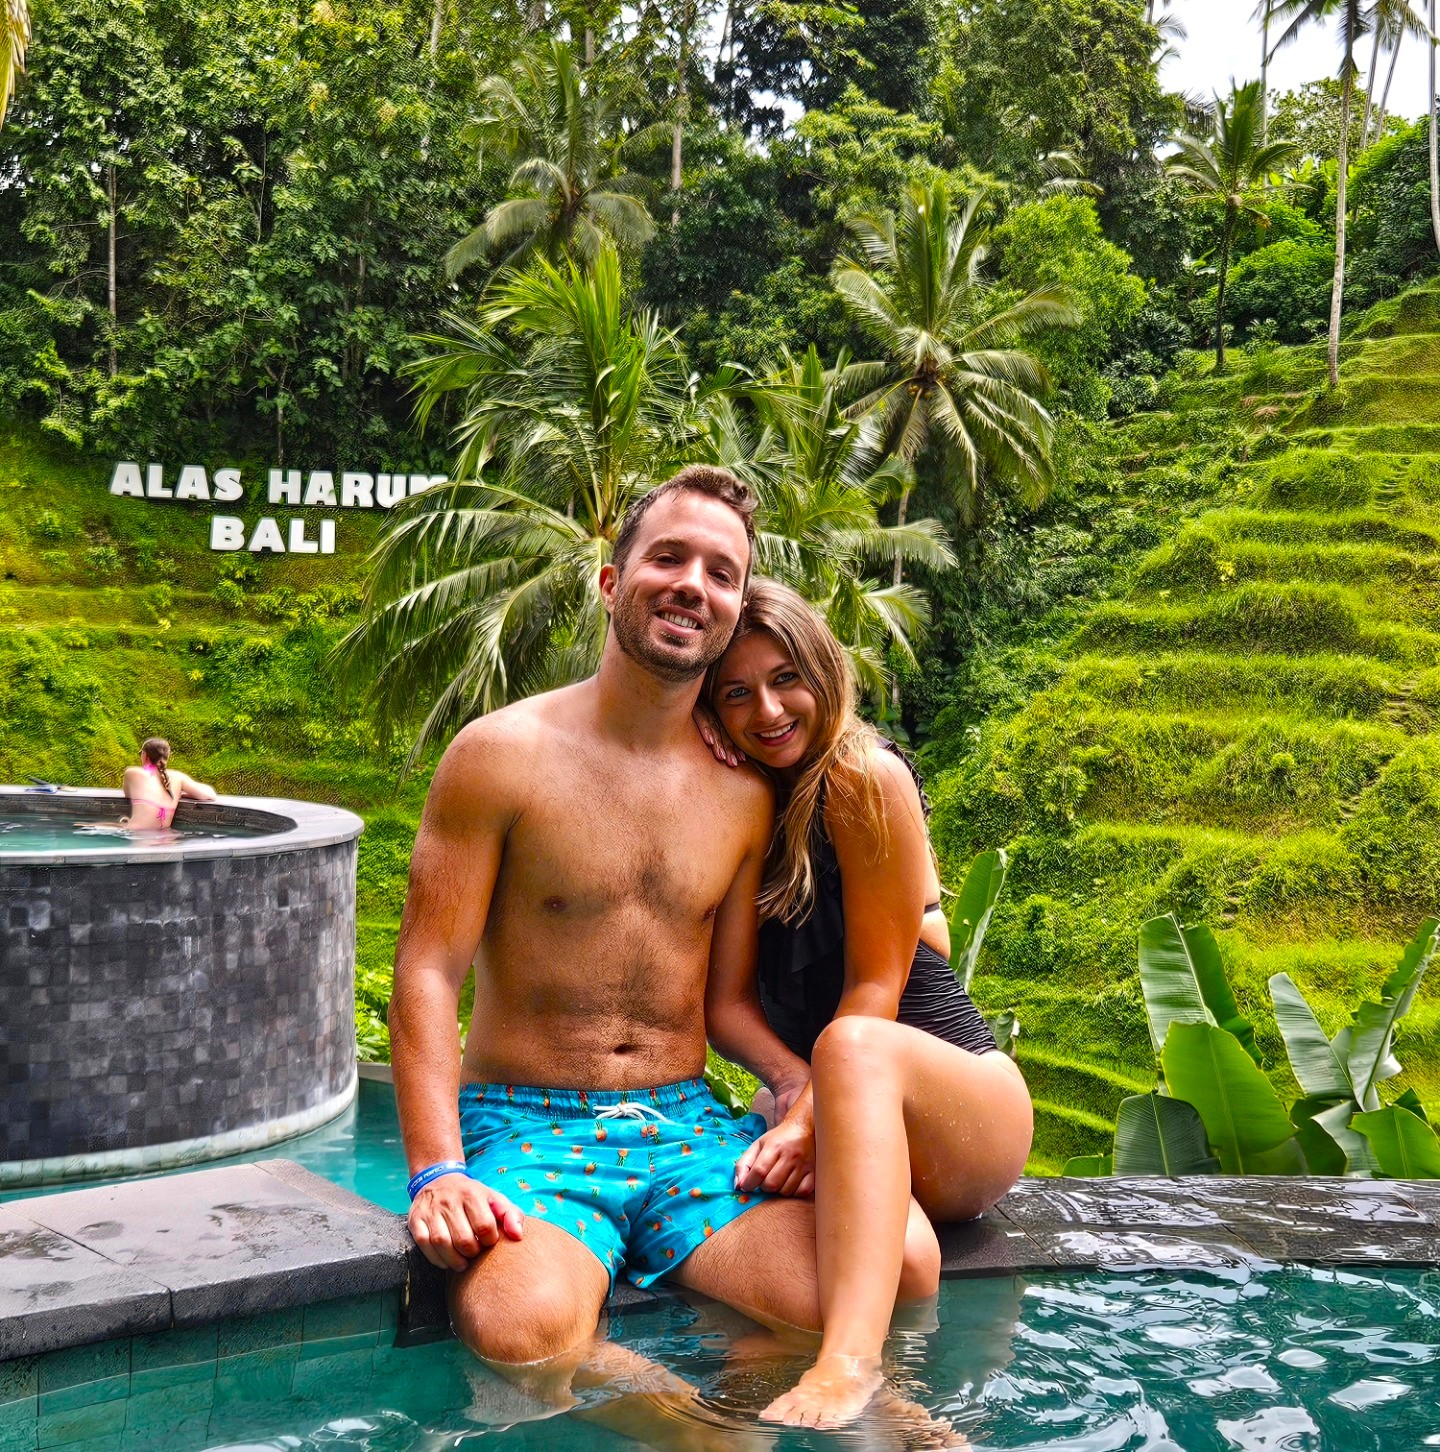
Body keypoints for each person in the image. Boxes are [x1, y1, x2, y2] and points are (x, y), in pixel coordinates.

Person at [392, 467, 879, 1389]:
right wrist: (436, 1171)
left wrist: (797, 1083)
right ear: (612, 582)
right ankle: (708, 1439)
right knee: (519, 1332)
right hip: (525, 1122)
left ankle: (764, 1419)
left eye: (721, 573)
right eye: (668, 558)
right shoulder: (501, 756)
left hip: (684, 1121)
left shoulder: (742, 794)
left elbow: (724, 1001)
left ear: (733, 611)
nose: (693, 584)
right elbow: (427, 971)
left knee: (838, 1300)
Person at [701, 578, 1034, 1430]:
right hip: (846, 1108)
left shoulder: (861, 774)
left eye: (786, 679)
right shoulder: (738, 803)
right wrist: (791, 1092)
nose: (767, 710)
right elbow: (726, 1007)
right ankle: (902, 1428)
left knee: (848, 1045)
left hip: (959, 1112)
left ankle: (849, 1366)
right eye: (736, 692)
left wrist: (810, 1107)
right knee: (882, 1258)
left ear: (823, 672)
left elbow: (875, 994)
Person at [121, 737, 217, 829]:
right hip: (165, 837)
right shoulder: (179, 778)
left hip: (137, 834)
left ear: (145, 755)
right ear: (167, 757)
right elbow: (210, 795)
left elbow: (129, 794)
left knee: (115, 824)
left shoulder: (132, 773)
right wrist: (182, 794)